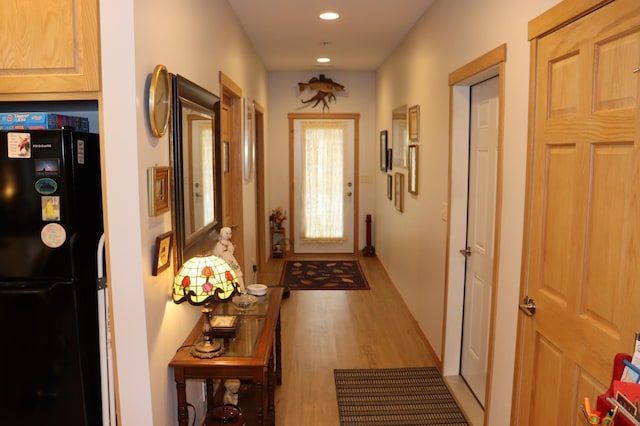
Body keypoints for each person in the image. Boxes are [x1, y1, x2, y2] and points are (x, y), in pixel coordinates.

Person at [213, 227, 245, 292]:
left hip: (230, 258)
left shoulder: (229, 243)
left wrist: (231, 248)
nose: (228, 235)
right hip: (223, 260)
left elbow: (231, 251)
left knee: (236, 271)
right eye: (226, 233)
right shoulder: (219, 244)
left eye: (229, 233)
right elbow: (218, 253)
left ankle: (240, 287)